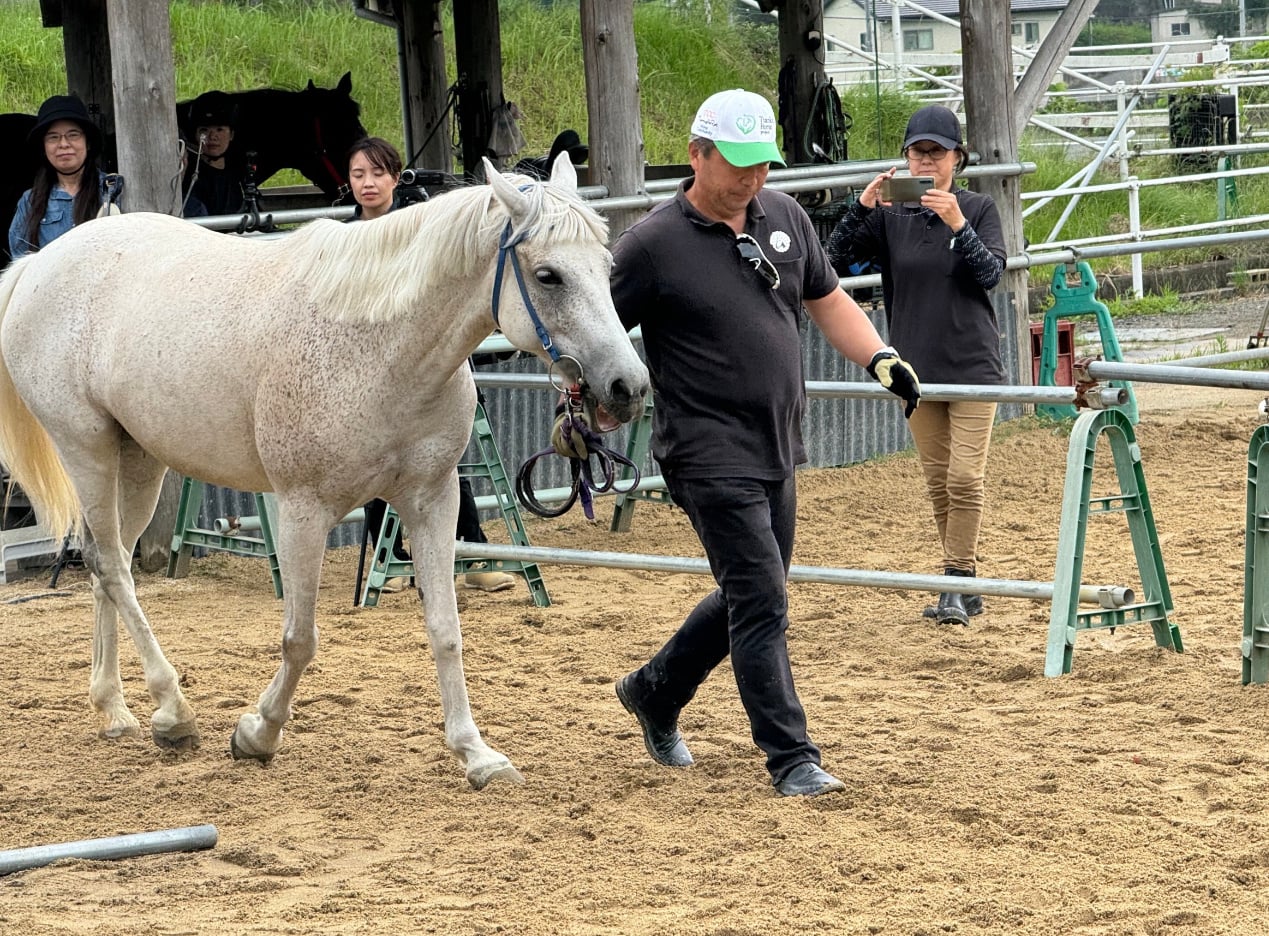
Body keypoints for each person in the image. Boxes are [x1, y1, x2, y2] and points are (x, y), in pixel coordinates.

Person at [607, 89, 921, 797]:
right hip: (703, 448)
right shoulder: (649, 245)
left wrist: (878, 357)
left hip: (777, 443)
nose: (751, 180)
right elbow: (594, 330)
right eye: (737, 165)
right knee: (761, 599)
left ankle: (654, 690)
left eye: (762, 165)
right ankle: (791, 759)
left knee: (754, 592)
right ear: (697, 155)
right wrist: (587, 398)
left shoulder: (781, 217)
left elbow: (827, 298)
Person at [827, 104, 1007, 626]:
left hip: (973, 364)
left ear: (957, 158)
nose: (926, 161)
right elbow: (832, 263)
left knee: (966, 477)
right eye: (917, 151)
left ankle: (953, 582)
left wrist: (956, 223)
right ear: (904, 157)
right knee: (937, 479)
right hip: (915, 369)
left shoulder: (977, 208)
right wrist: (861, 206)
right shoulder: (890, 216)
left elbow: (990, 274)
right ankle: (963, 585)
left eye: (937, 152)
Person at [345, 136, 517, 594]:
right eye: (359, 175)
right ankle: (392, 558)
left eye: (377, 174)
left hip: (429, 371)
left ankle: (473, 550)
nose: (368, 184)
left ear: (395, 179)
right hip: (367, 375)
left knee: (446, 463)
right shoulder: (344, 239)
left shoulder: (420, 230)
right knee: (372, 466)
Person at [8, 94, 109, 259]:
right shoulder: (30, 202)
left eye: (73, 135)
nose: (63, 144)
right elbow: (20, 265)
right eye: (53, 137)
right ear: (44, 146)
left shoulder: (112, 190)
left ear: (88, 142)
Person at [183, 90, 245, 216]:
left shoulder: (238, 176)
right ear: (196, 135)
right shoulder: (191, 178)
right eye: (204, 130)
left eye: (220, 129)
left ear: (231, 134)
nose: (212, 136)